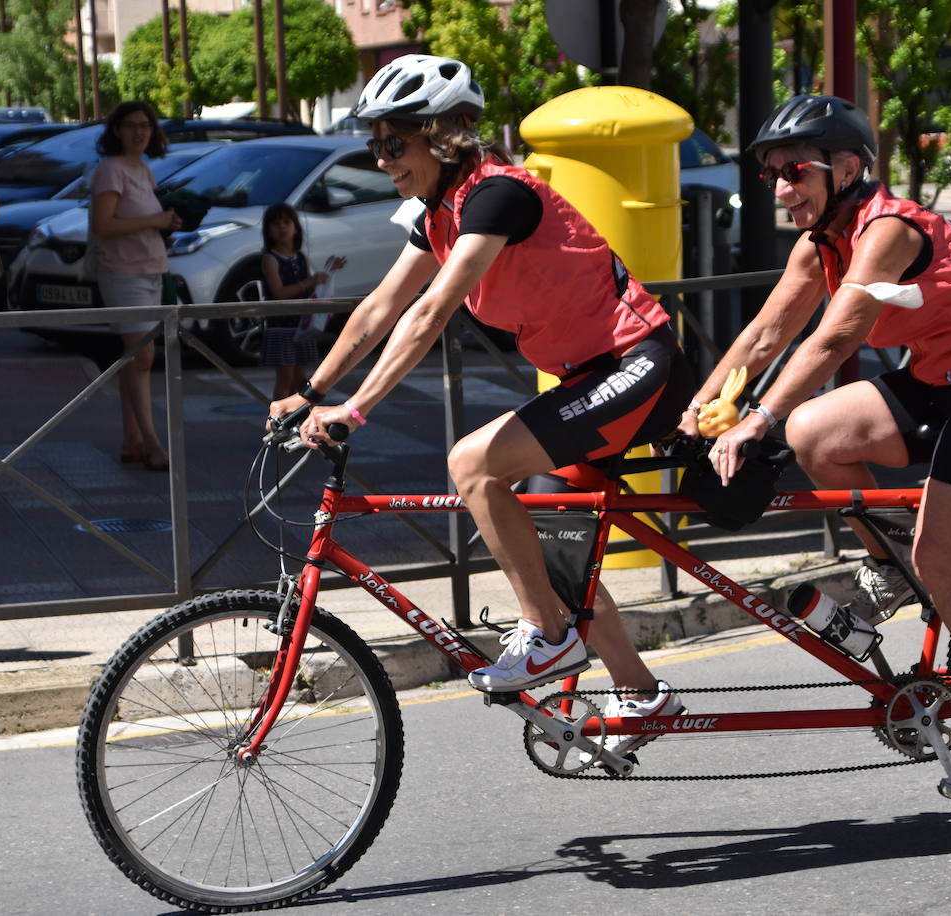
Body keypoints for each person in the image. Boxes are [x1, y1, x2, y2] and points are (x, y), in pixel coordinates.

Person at [268, 55, 696, 757]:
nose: (382, 160)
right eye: (375, 144)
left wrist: (358, 408)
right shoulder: (439, 213)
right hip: (586, 379)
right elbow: (381, 306)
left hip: (634, 366)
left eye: (393, 143)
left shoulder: (497, 197)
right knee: (556, 552)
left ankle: (550, 640)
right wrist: (313, 390)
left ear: (440, 136)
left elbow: (432, 311)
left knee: (472, 464)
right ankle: (642, 693)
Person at [680, 95, 951, 800]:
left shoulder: (886, 230)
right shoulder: (820, 242)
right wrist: (704, 403)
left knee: (943, 558)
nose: (781, 189)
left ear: (849, 167)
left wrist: (755, 419)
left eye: (795, 171)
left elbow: (834, 338)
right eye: (772, 174)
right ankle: (898, 566)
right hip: (937, 380)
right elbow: (765, 336)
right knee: (814, 435)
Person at [90, 100, 183, 471]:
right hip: (122, 271)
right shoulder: (110, 171)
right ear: (116, 131)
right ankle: (151, 442)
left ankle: (132, 440)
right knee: (141, 356)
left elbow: (145, 219)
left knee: (135, 358)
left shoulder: (143, 171)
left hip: (150, 269)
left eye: (145, 125)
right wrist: (154, 220)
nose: (140, 131)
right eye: (131, 125)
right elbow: (104, 225)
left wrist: (165, 221)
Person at [259, 203, 346, 400]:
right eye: (276, 224)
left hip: (301, 325)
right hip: (280, 325)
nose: (282, 228)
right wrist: (310, 281)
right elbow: (279, 293)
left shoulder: (301, 257)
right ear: (268, 231)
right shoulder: (270, 259)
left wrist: (328, 271)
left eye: (287, 222)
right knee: (285, 377)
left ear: (296, 228)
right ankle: (278, 418)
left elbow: (311, 289)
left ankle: (294, 417)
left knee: (299, 377)